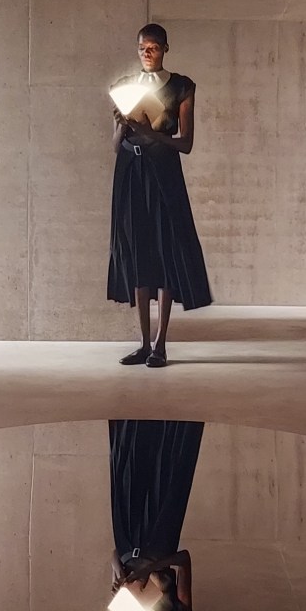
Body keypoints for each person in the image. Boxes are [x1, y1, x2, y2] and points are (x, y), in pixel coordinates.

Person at [108, 23, 212, 368]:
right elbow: (114, 146)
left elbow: (186, 144)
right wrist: (124, 126)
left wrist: (148, 131)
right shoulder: (125, 87)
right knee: (138, 254)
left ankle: (160, 343)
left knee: (166, 254)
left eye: (153, 47)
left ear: (165, 48)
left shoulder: (181, 86)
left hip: (163, 174)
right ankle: (142, 343)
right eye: (141, 48)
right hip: (130, 175)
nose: (147, 53)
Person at [107, 419, 204, 611]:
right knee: (168, 473)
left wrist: (119, 577)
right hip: (160, 538)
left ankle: (132, 416)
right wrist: (151, 567)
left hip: (126, 537)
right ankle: (173, 417)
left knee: (128, 471)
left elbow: (114, 555)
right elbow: (183, 559)